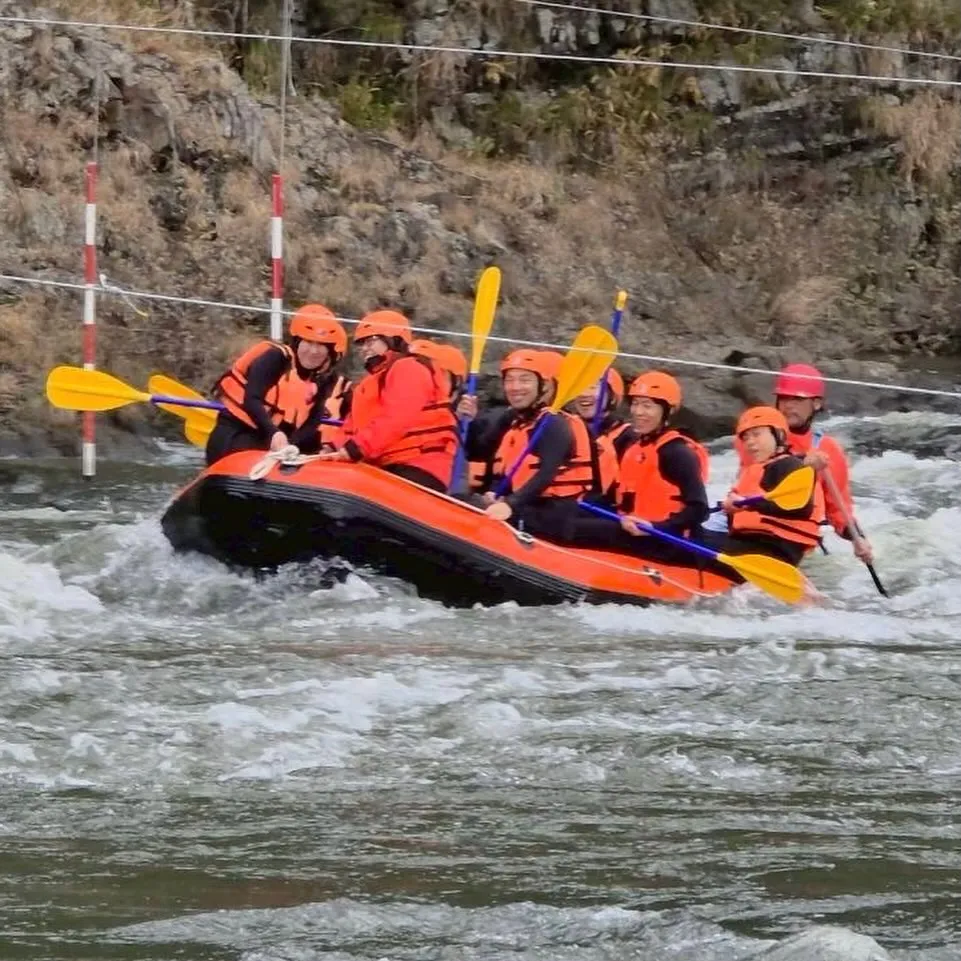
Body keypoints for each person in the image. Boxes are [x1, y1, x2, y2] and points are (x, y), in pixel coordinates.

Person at [315, 310, 458, 492]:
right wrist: (332, 447)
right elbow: (353, 426)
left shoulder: (409, 368)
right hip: (388, 465)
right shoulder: (370, 384)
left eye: (371, 341)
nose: (365, 349)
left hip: (417, 465)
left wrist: (356, 448)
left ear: (392, 339)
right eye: (362, 344)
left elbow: (397, 417)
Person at [463, 348, 598, 538]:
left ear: (542, 386)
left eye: (525, 379)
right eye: (510, 380)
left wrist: (509, 504)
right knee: (462, 500)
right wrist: (470, 421)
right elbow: (477, 453)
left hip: (549, 516)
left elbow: (546, 474)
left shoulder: (554, 423)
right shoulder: (519, 422)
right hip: (526, 506)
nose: (515, 387)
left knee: (467, 504)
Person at [205, 304, 349, 466]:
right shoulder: (276, 358)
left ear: (329, 352)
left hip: (273, 442)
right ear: (297, 342)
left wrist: (292, 446)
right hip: (237, 433)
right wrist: (274, 433)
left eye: (321, 345)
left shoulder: (324, 379)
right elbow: (252, 398)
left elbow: (312, 422)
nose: (313, 351)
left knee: (311, 446)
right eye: (308, 342)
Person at [772, 363, 873, 564]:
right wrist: (802, 462)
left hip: (795, 541)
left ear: (816, 404)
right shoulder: (759, 436)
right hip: (757, 529)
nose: (788, 405)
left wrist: (857, 537)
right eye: (783, 398)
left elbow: (838, 508)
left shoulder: (829, 450)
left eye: (797, 399)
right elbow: (761, 471)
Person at [704, 406, 823, 568]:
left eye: (756, 434)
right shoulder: (755, 470)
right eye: (745, 437)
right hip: (750, 542)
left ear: (779, 435)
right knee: (692, 535)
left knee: (696, 547)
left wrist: (747, 503)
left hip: (776, 546)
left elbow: (801, 507)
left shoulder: (789, 465)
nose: (750, 442)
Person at [617, 371, 710, 540]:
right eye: (635, 404)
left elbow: (699, 509)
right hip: (634, 530)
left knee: (570, 529)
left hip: (664, 537)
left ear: (668, 411)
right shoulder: (635, 448)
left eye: (647, 405)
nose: (638, 412)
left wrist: (656, 528)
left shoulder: (676, 452)